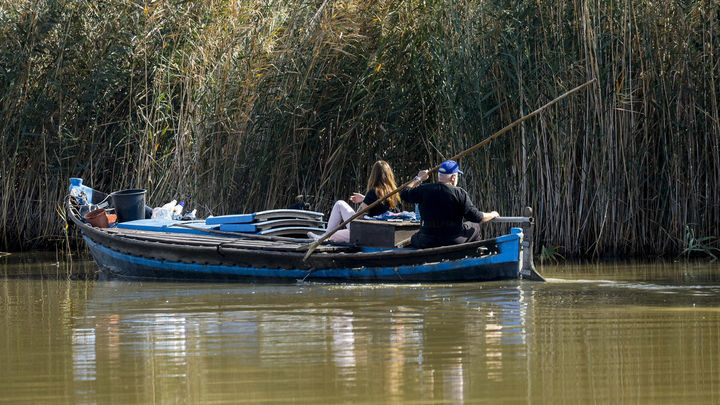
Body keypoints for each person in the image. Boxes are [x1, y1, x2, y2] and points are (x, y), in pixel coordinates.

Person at [399, 160, 499, 248]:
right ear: (453, 177)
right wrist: (492, 214)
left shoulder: (424, 189)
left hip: (426, 241)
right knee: (475, 227)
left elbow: (404, 193)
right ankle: (473, 254)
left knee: (414, 238)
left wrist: (418, 178)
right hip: (453, 240)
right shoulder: (459, 193)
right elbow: (477, 217)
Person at [309, 160, 401, 242]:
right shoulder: (394, 194)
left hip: (365, 231)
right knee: (336, 235)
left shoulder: (373, 192)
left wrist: (363, 202)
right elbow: (380, 204)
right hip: (381, 231)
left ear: (374, 175)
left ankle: (324, 237)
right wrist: (365, 199)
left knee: (339, 204)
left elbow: (359, 217)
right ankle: (326, 236)